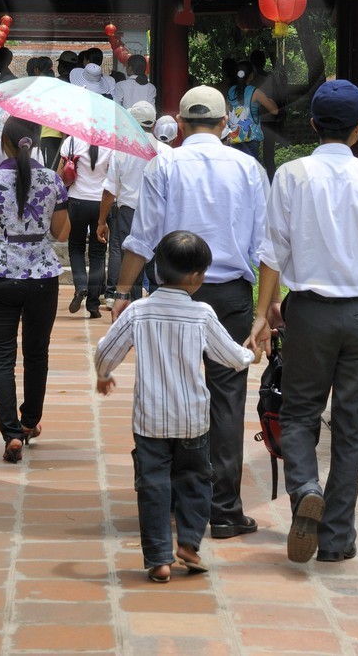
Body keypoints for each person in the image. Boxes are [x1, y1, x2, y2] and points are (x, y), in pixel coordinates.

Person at [249, 80, 358, 564]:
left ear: (313, 125)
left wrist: (263, 312)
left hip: (309, 310)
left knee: (298, 413)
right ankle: (337, 539)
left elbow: (273, 251)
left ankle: (305, 489)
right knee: (352, 427)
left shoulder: (292, 176)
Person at [111, 85, 268, 541]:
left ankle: (177, 498)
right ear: (226, 125)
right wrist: (268, 306)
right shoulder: (249, 168)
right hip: (232, 297)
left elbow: (142, 238)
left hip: (172, 296)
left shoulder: (165, 164)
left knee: (168, 390)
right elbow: (265, 246)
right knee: (226, 401)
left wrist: (123, 292)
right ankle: (222, 509)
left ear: (179, 124)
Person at [94, 230, 256, 582]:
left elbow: (106, 350)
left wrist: (103, 375)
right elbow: (231, 358)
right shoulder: (202, 315)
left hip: (150, 421)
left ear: (156, 270)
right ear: (197, 277)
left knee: (153, 486)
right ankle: (189, 544)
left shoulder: (139, 311)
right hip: (193, 420)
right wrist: (252, 353)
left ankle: (159, 559)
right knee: (197, 481)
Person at [0, 117, 71, 462]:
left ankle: (11, 433)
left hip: (1, 274)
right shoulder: (51, 179)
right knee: (37, 353)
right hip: (43, 275)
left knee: (2, 356)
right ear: (37, 139)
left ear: (6, 142)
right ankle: (29, 421)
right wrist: (63, 193)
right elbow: (62, 234)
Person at [97, 101, 167, 301]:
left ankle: (135, 306)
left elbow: (109, 190)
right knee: (157, 261)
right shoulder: (166, 151)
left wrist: (102, 222)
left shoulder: (122, 150)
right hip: (158, 213)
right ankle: (157, 304)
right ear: (153, 125)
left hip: (130, 212)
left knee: (132, 259)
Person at [59, 130, 112, 317]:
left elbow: (60, 174)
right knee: (98, 253)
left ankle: (80, 286)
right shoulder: (111, 144)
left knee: (76, 247)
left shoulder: (72, 141)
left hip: (77, 201)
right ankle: (93, 305)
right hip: (101, 203)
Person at [225, 62, 279, 162]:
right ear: (251, 76)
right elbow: (275, 111)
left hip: (233, 138)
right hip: (251, 139)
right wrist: (270, 100)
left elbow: (226, 110)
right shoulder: (255, 92)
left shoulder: (231, 91)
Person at [40, 51, 79, 168]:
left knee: (50, 169)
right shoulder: (77, 86)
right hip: (72, 136)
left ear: (60, 66)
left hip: (50, 134)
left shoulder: (53, 85)